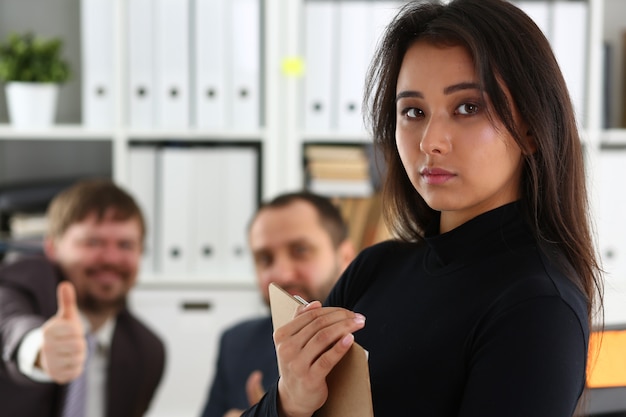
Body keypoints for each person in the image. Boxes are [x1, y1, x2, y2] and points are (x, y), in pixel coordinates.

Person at [240, 1, 603, 416]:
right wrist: (289, 401)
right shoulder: (374, 270)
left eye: (468, 107)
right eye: (413, 111)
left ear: (532, 129)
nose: (431, 141)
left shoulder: (538, 306)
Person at [0, 179, 166, 417]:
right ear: (52, 247)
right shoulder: (21, 284)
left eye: (126, 245)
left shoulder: (147, 351)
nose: (111, 258)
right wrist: (38, 350)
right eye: (93, 242)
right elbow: (8, 324)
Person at [199, 191, 356, 417]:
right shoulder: (236, 344)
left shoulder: (383, 340)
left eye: (300, 250)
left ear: (345, 257)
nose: (281, 274)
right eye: (265, 259)